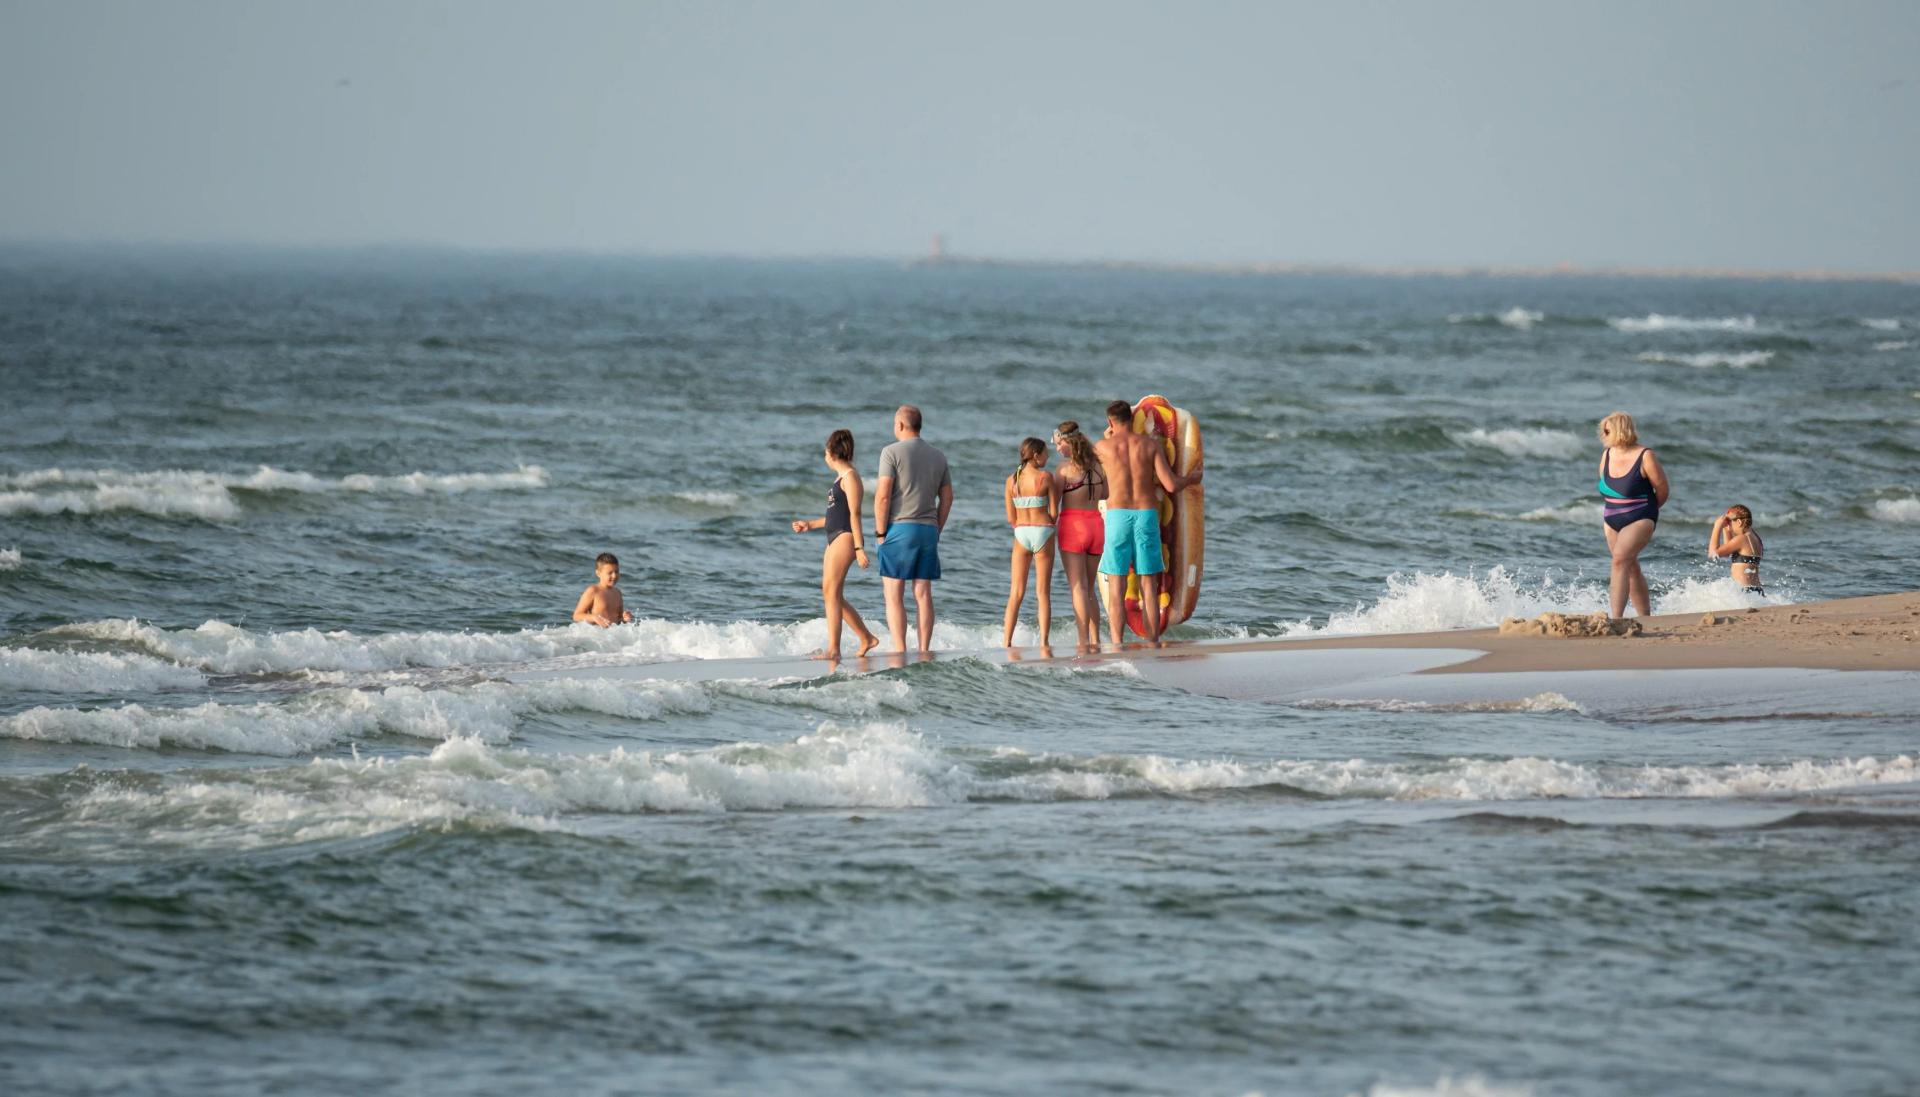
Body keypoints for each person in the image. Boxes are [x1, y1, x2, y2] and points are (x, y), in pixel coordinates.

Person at [1093, 400, 1202, 644]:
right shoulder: (1150, 445)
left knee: (1117, 585)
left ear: (1111, 421)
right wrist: (1191, 478)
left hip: (1117, 516)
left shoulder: (1102, 447)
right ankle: (1153, 642)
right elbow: (1171, 484)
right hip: (1145, 516)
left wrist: (1105, 436)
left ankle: (1117, 643)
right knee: (1149, 583)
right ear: (1133, 420)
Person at [791, 429, 880, 660]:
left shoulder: (850, 477)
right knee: (831, 593)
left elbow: (855, 513)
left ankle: (834, 649)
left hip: (846, 537)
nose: (824, 455)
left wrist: (860, 548)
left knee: (831, 592)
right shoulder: (840, 479)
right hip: (834, 535)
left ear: (831, 453)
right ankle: (866, 638)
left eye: (825, 451)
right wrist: (809, 524)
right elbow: (834, 515)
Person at [873, 405, 952, 653]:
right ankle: (924, 650)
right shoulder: (938, 455)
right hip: (928, 529)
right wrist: (937, 527)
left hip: (899, 528)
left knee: (894, 594)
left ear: (900, 425)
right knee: (923, 593)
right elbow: (948, 497)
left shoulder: (890, 452)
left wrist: (879, 533)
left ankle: (899, 649)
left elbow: (883, 496)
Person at [1595, 411, 1669, 619]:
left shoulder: (1645, 456)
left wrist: (1647, 512)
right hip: (1611, 519)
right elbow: (1606, 487)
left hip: (1640, 517)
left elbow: (1662, 491)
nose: (1603, 433)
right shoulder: (1607, 455)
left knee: (1619, 561)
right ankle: (1645, 616)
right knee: (1630, 565)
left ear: (1619, 430)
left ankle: (1616, 619)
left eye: (1606, 430)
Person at [1052, 420, 1107, 646]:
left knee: (1079, 587)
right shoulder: (1098, 466)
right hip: (1096, 526)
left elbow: (1054, 506)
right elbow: (1107, 494)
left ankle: (1082, 640)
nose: (1057, 449)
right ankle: (1095, 640)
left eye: (1058, 444)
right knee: (1090, 588)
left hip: (1073, 527)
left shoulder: (1064, 469)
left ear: (1068, 442)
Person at [1001, 437, 1060, 647]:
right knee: (1042, 592)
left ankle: (1006, 641)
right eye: (1045, 453)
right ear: (1036, 455)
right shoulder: (1046, 477)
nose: (1048, 456)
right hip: (1043, 531)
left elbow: (1011, 518)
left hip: (1022, 534)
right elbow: (1054, 512)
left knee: (1016, 592)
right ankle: (1044, 642)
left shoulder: (1011, 481)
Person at [1708, 504, 1765, 595]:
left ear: (1739, 522)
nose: (1729, 525)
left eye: (1729, 522)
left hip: (1744, 592)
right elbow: (1727, 552)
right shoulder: (1755, 538)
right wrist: (1726, 529)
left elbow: (1713, 553)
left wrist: (1717, 526)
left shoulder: (1742, 539)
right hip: (1756, 591)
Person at [572, 552, 633, 627]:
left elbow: (619, 620)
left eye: (616, 572)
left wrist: (625, 618)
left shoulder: (617, 593)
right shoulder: (593, 591)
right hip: (597, 635)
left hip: (611, 635)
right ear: (598, 573)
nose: (614, 576)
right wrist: (594, 617)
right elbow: (576, 616)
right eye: (610, 573)